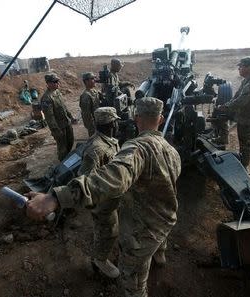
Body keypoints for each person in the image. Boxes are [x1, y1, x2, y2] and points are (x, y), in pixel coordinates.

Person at [26, 97, 182, 297]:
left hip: (143, 232)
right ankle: (159, 255)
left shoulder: (137, 149)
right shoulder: (171, 151)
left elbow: (115, 177)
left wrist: (55, 198)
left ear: (136, 118)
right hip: (165, 219)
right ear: (160, 119)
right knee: (125, 237)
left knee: (133, 282)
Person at [78, 107, 121, 278]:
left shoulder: (108, 141)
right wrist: (95, 206)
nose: (118, 123)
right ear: (111, 123)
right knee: (109, 231)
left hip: (111, 197)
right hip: (103, 202)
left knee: (108, 229)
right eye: (116, 121)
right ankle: (99, 260)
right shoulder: (96, 148)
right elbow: (85, 179)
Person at [215, 56, 250, 168]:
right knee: (222, 116)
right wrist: (225, 106)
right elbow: (236, 97)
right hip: (242, 114)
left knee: (245, 143)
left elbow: (241, 101)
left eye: (241, 66)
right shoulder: (246, 81)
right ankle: (223, 137)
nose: (239, 69)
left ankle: (244, 166)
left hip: (249, 118)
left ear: (248, 67)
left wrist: (226, 107)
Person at [40, 73, 76, 161]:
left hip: (66, 123)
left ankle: (68, 161)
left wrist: (71, 117)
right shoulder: (46, 98)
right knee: (62, 148)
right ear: (48, 83)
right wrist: (56, 130)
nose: (58, 83)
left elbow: (64, 107)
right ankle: (63, 164)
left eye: (58, 81)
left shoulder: (57, 92)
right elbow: (49, 117)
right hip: (59, 127)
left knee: (70, 142)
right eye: (55, 82)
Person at [79, 72, 104, 137]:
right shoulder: (86, 96)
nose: (95, 80)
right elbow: (86, 115)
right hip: (93, 125)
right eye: (92, 78)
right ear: (86, 81)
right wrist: (92, 128)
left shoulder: (94, 91)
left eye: (95, 78)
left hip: (98, 121)